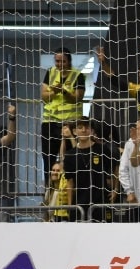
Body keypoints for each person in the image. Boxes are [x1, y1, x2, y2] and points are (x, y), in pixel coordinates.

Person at [41, 48, 85, 181]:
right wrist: (54, 92)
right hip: (50, 123)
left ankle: (72, 189)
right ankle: (49, 191)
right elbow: (44, 96)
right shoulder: (50, 72)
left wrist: (64, 91)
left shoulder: (77, 75)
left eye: (63, 61)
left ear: (69, 61)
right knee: (48, 159)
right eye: (57, 61)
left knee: (71, 157)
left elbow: (78, 97)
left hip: (70, 123)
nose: (60, 64)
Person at [62, 117, 118, 222]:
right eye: (80, 127)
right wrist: (70, 206)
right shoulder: (70, 155)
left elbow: (115, 167)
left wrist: (115, 189)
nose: (83, 130)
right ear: (74, 131)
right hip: (79, 202)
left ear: (92, 131)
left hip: (100, 201)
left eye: (87, 127)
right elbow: (69, 182)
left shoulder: (102, 149)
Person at [119, 117, 140, 222]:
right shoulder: (129, 143)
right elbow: (123, 169)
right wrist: (129, 191)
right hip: (135, 199)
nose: (136, 123)